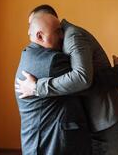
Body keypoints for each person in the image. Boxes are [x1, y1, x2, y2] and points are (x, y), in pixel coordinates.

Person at [16, 4, 118, 155]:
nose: (29, 31)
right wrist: (117, 71)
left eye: (32, 25)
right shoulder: (46, 55)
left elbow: (82, 80)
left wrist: (37, 87)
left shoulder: (72, 38)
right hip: (93, 120)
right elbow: (78, 83)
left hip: (108, 117)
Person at [15, 16, 91, 155]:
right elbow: (85, 80)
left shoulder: (28, 54)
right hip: (50, 144)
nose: (62, 36)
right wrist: (117, 72)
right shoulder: (53, 60)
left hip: (36, 142)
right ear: (40, 36)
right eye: (57, 32)